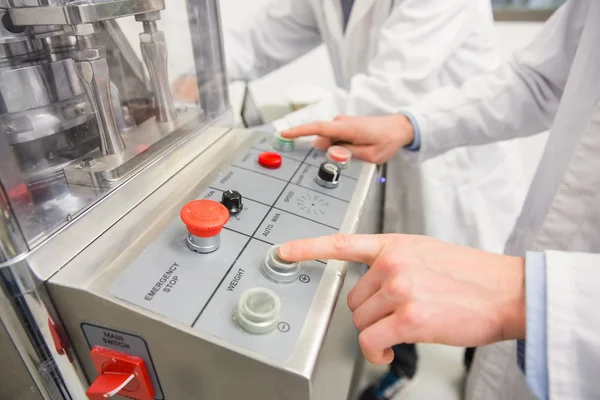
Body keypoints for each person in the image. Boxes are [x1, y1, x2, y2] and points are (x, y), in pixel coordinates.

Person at [175, 2, 526, 398]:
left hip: (454, 169)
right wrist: (190, 79)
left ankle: (476, 372)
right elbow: (258, 42)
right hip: (383, 152)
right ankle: (401, 368)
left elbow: (387, 89)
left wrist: (258, 138)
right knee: (394, 271)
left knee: (480, 306)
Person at [278, 1, 600, 398]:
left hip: (471, 192)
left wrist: (525, 295)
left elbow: (391, 82)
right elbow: (538, 81)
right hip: (416, 162)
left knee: (469, 321)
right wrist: (408, 125)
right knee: (431, 308)